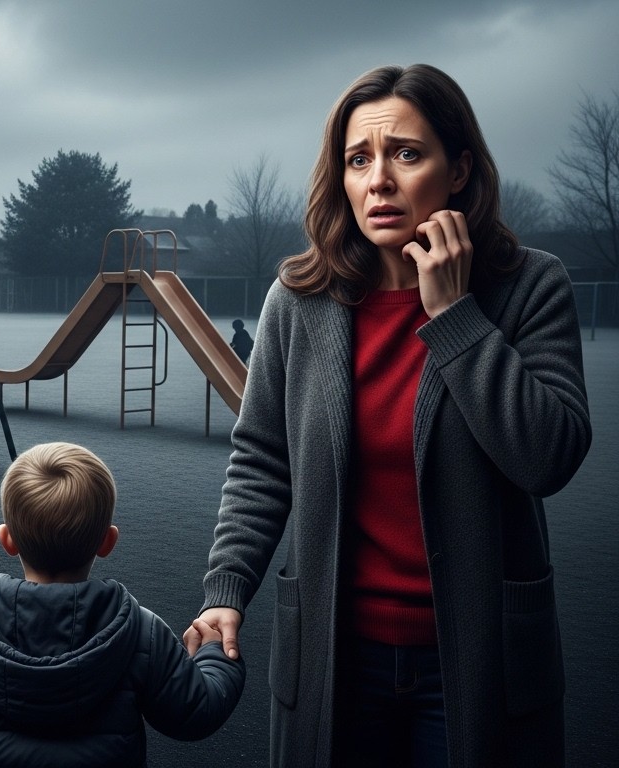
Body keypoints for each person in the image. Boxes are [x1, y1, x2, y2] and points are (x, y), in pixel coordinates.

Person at [184, 64, 591, 767]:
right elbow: (261, 460)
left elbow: (548, 457)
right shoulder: (299, 299)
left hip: (479, 655)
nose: (379, 180)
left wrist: (456, 318)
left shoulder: (529, 287)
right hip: (336, 652)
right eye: (358, 159)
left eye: (406, 153)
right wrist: (227, 586)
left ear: (459, 168)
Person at [0, 442, 245, 767]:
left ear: (7, 539)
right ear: (107, 541)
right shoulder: (141, 631)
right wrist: (215, 652)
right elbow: (196, 712)